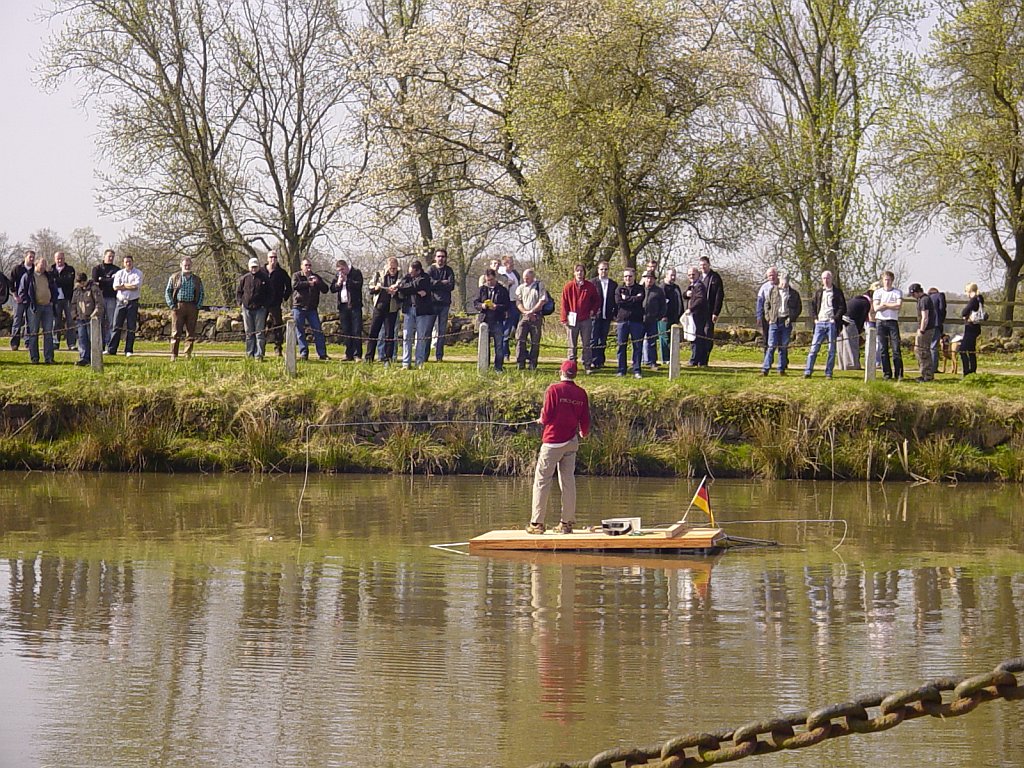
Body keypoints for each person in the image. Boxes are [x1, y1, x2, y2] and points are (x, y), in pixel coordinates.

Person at [526, 360, 591, 535]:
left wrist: (541, 419)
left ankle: (537, 524)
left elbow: (546, 416)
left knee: (542, 481)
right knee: (568, 481)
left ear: (560, 372)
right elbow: (585, 419)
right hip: (571, 442)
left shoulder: (554, 390)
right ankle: (566, 523)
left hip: (552, 442)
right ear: (575, 374)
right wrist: (584, 432)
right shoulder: (581, 393)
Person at [803, 270, 847, 379]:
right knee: (814, 349)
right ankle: (808, 371)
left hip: (831, 323)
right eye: (824, 278)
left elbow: (842, 307)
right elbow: (813, 306)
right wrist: (815, 319)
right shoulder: (818, 292)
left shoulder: (837, 292)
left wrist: (835, 319)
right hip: (820, 323)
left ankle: (828, 373)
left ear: (831, 279)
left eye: (828, 278)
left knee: (831, 349)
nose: (826, 280)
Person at [18, 255, 58, 365]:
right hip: (34, 308)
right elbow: (22, 292)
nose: (44, 266)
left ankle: (49, 358)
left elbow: (54, 290)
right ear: (36, 264)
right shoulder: (28, 277)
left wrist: (52, 300)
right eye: (42, 264)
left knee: (48, 333)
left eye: (45, 264)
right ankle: (34, 358)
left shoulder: (48, 276)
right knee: (33, 333)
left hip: (47, 307)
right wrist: (29, 303)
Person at [561, 263, 600, 372]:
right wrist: (564, 318)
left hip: (586, 319)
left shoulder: (590, 286)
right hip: (572, 319)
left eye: (581, 271)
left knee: (586, 343)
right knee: (572, 344)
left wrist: (593, 310)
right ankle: (571, 366)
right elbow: (564, 303)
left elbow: (597, 300)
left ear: (584, 273)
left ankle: (587, 364)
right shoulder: (568, 286)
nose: (579, 273)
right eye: (577, 271)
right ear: (574, 273)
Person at [761, 272, 802, 376]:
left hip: (786, 322)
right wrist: (768, 318)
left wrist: (791, 318)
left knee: (783, 346)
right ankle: (765, 369)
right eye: (783, 282)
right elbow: (766, 305)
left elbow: (798, 308)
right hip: (774, 321)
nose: (784, 285)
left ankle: (781, 369)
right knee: (771, 346)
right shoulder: (773, 291)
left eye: (786, 282)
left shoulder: (794, 294)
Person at [396, 259, 434, 368]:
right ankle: (406, 363)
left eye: (412, 272)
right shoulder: (407, 277)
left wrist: (408, 288)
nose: (410, 274)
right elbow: (403, 287)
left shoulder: (425, 278)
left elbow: (416, 285)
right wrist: (414, 290)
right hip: (409, 309)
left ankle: (419, 362)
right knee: (407, 336)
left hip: (421, 311)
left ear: (418, 271)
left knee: (420, 337)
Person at [165, 256, 204, 361]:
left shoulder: (197, 279)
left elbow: (201, 293)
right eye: (185, 265)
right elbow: (168, 292)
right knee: (175, 332)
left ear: (191, 265)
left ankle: (188, 353)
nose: (187, 266)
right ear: (181, 265)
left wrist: (198, 306)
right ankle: (174, 354)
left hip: (192, 306)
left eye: (189, 265)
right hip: (178, 306)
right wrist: (172, 305)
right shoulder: (174, 277)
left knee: (190, 332)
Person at [291, 258, 330, 361]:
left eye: (309, 265)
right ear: (301, 266)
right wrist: (308, 283)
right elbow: (295, 285)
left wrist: (318, 283)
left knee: (318, 330)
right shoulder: (297, 276)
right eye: (306, 265)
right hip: (298, 307)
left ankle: (322, 354)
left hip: (312, 308)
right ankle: (304, 353)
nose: (308, 268)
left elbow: (325, 289)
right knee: (300, 331)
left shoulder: (316, 277)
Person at [106, 254, 143, 357]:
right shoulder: (119, 273)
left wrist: (123, 286)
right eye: (126, 262)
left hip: (132, 302)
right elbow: (115, 287)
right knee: (116, 326)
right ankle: (111, 349)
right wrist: (128, 286)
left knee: (131, 327)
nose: (128, 263)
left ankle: (128, 350)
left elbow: (136, 287)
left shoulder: (138, 273)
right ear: (123, 263)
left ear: (132, 262)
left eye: (130, 262)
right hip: (120, 302)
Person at [366, 257, 401, 364]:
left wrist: (396, 292)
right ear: (387, 266)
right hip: (379, 307)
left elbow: (403, 292)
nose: (393, 270)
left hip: (392, 309)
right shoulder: (379, 274)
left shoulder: (400, 277)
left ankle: (388, 359)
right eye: (391, 268)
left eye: (395, 268)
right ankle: (368, 358)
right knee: (373, 333)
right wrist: (376, 288)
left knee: (389, 335)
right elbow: (370, 288)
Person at [474, 268, 510, 372]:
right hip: (485, 320)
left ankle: (498, 367)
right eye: (488, 280)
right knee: (484, 345)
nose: (490, 282)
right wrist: (482, 305)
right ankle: (485, 365)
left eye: (491, 280)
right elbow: (475, 303)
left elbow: (506, 305)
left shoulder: (502, 290)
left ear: (495, 278)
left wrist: (497, 307)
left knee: (499, 345)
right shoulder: (482, 289)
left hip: (497, 320)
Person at [330, 258, 364, 361]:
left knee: (356, 330)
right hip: (343, 307)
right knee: (346, 330)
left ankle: (357, 354)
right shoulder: (337, 276)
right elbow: (332, 289)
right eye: (339, 270)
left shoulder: (356, 273)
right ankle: (348, 354)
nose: (341, 272)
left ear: (346, 267)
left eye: (342, 270)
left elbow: (358, 285)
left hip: (355, 306)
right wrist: (338, 284)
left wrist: (347, 280)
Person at [872, 270, 904, 380]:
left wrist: (884, 304)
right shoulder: (878, 292)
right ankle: (887, 373)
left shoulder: (897, 292)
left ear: (892, 281)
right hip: (880, 322)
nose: (887, 282)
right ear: (882, 280)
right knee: (883, 349)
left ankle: (899, 373)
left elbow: (898, 306)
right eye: (885, 280)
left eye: (889, 280)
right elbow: (876, 308)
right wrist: (890, 305)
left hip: (892, 321)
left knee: (896, 348)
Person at [237, 257, 270, 360]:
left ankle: (259, 355)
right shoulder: (244, 278)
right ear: (249, 267)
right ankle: (249, 354)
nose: (254, 269)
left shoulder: (265, 278)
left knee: (259, 333)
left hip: (260, 309)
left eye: (255, 266)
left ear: (258, 266)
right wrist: (240, 303)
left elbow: (271, 293)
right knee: (249, 333)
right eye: (252, 267)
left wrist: (266, 305)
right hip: (247, 308)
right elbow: (239, 292)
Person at [614, 268, 644, 378]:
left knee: (637, 346)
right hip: (622, 321)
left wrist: (627, 299)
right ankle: (621, 370)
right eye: (626, 276)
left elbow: (639, 300)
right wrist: (632, 299)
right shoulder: (619, 289)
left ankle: (637, 370)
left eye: (630, 276)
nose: (628, 278)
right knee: (621, 346)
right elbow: (619, 302)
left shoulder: (640, 288)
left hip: (636, 321)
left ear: (634, 277)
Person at [427, 248, 456, 361]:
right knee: (428, 330)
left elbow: (451, 285)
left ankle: (439, 356)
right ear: (435, 258)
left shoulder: (449, 271)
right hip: (432, 303)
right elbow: (428, 283)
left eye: (443, 256)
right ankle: (425, 356)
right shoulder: (431, 269)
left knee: (442, 331)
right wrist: (441, 282)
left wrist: (436, 283)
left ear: (446, 258)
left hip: (444, 304)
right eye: (439, 256)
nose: (441, 259)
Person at [514, 268, 546, 370]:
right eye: (524, 278)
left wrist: (532, 311)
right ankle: (520, 362)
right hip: (524, 316)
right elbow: (518, 302)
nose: (525, 280)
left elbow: (542, 300)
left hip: (536, 316)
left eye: (527, 278)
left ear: (532, 277)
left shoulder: (539, 286)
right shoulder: (520, 288)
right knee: (520, 339)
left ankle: (533, 363)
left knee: (535, 341)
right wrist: (525, 312)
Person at [71, 271, 103, 366]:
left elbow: (99, 303)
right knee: (82, 338)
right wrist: (74, 315)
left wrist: (95, 314)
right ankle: (84, 358)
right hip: (80, 318)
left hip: (91, 318)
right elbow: (73, 304)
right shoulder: (77, 290)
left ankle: (94, 357)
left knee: (92, 338)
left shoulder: (94, 288)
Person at [696, 256, 724, 365]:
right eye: (701, 265)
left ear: (709, 265)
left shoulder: (715, 278)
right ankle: (697, 358)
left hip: (709, 312)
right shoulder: (698, 278)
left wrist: (716, 312)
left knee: (707, 335)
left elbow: (719, 296)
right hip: (698, 313)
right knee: (698, 335)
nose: (702, 267)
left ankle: (705, 359)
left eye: (704, 265)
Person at [264, 250, 292, 357]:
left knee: (277, 326)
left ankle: (278, 348)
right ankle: (260, 348)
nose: (273, 260)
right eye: (271, 257)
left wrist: (284, 297)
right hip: (263, 303)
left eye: (275, 257)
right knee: (261, 326)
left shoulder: (281, 273)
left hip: (276, 303)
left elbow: (289, 286)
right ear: (267, 258)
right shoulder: (262, 271)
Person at [590, 261, 617, 369]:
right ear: (598, 270)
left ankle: (600, 361)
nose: (604, 271)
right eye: (602, 269)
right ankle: (592, 360)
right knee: (593, 339)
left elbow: (615, 301)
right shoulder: (593, 283)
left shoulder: (613, 284)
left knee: (603, 339)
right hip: (595, 316)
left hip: (607, 316)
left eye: (606, 269)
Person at [50, 251, 77, 351]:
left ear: (64, 259)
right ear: (55, 259)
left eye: (61, 258)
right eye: (58, 259)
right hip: (56, 300)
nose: (59, 260)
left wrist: (57, 280)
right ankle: (55, 342)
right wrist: (60, 281)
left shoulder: (70, 269)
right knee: (56, 322)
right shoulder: (51, 270)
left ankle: (71, 343)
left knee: (70, 321)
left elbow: (69, 281)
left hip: (68, 299)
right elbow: (51, 283)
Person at [908, 283, 935, 382]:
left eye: (913, 294)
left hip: (925, 330)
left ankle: (927, 376)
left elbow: (925, 317)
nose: (913, 297)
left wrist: (922, 330)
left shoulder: (924, 300)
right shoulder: (923, 299)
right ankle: (923, 373)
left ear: (916, 292)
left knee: (923, 352)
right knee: (918, 351)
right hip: (924, 328)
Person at [92, 249, 119, 348]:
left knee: (111, 322)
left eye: (112, 256)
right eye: (109, 256)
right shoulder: (97, 269)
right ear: (104, 256)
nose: (111, 258)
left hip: (111, 298)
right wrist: (110, 280)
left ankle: (110, 345)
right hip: (99, 299)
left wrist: (103, 280)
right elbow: (95, 283)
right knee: (99, 322)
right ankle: (99, 344)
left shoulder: (117, 270)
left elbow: (116, 283)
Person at [10, 250, 35, 351]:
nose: (32, 259)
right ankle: (14, 343)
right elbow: (11, 283)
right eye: (30, 257)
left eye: (33, 257)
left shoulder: (35, 269)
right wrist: (15, 296)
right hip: (19, 299)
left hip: (31, 300)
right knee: (17, 321)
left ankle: (28, 342)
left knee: (30, 322)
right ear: (25, 257)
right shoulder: (17, 269)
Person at [843, 288, 873, 370]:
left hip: (842, 321)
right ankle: (854, 365)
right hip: (850, 322)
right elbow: (862, 318)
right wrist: (859, 332)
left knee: (844, 345)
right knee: (854, 345)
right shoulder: (866, 303)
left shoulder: (857, 299)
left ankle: (844, 364)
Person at [641, 272, 666, 370]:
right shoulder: (640, 289)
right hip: (640, 320)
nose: (649, 280)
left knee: (652, 342)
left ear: (654, 279)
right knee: (638, 342)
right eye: (647, 278)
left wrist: (658, 316)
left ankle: (652, 362)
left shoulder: (658, 291)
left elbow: (663, 306)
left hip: (652, 320)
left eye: (651, 278)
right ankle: (637, 362)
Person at [684, 266, 708, 365]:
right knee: (693, 337)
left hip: (698, 315)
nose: (691, 276)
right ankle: (698, 360)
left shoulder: (699, 286)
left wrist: (691, 309)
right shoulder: (692, 285)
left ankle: (695, 360)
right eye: (689, 275)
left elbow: (700, 299)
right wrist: (686, 294)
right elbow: (685, 295)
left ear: (698, 274)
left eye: (693, 274)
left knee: (696, 337)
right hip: (692, 315)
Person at [499, 255, 521, 358]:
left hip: (516, 302)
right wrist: (507, 284)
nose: (512, 264)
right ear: (504, 264)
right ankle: (505, 353)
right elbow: (501, 289)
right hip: (507, 304)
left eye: (512, 262)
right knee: (506, 329)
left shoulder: (515, 273)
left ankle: (520, 352)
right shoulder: (501, 274)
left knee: (516, 327)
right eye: (509, 263)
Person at [960, 282, 984, 376]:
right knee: (971, 350)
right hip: (976, 326)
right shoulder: (980, 299)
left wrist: (964, 315)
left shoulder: (973, 300)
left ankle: (967, 371)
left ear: (969, 291)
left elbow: (964, 311)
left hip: (971, 326)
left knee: (963, 350)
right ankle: (972, 370)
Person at [660, 268, 684, 363]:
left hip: (675, 317)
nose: (673, 277)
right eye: (671, 275)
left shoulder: (676, 287)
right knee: (664, 338)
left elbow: (680, 302)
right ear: (666, 275)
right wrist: (663, 315)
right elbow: (661, 303)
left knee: (673, 338)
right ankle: (665, 359)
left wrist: (680, 315)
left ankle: (673, 358)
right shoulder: (662, 288)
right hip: (664, 318)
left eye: (674, 275)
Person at [755, 267, 778, 352]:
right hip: (766, 316)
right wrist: (759, 316)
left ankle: (783, 362)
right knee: (766, 337)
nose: (771, 277)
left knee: (780, 339)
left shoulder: (782, 285)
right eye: (769, 276)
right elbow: (760, 302)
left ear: (776, 275)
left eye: (773, 275)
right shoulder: (764, 287)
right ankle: (767, 359)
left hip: (778, 316)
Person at [928, 286, 947, 374]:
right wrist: (941, 319)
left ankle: (928, 366)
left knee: (929, 346)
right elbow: (942, 308)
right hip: (937, 323)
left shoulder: (927, 298)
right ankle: (934, 367)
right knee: (934, 346)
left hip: (928, 324)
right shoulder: (940, 295)